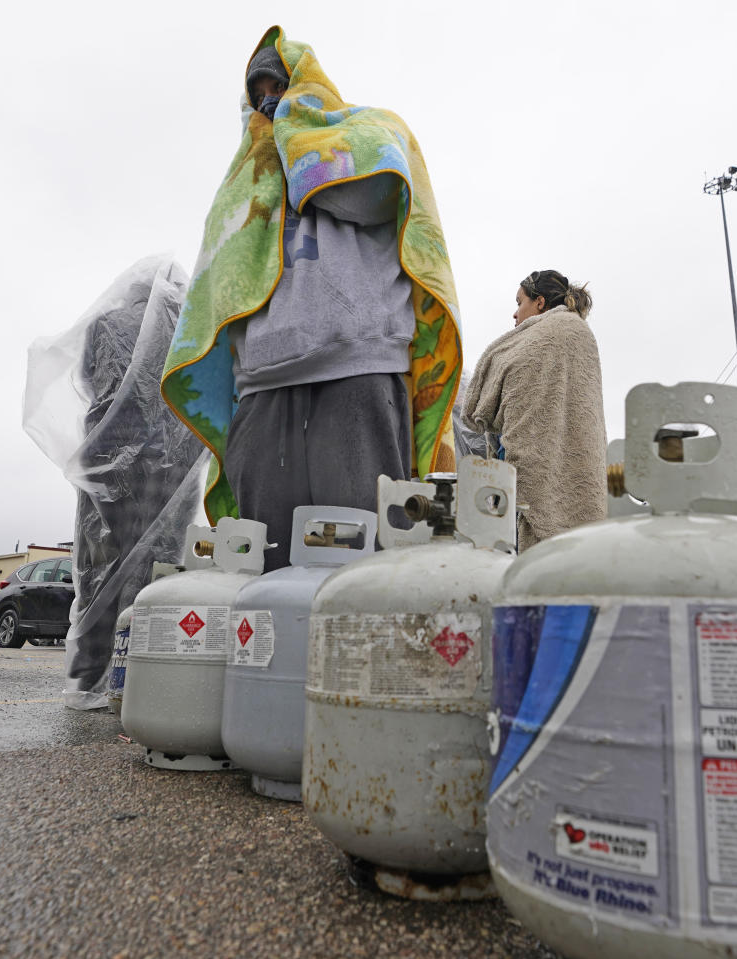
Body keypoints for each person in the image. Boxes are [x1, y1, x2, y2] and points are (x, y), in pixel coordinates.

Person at [162, 27, 462, 570]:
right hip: (263, 385)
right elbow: (224, 278)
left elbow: (372, 194)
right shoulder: (246, 175)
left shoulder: (370, 130)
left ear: (308, 80)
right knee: (261, 569)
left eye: (279, 83)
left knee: (356, 561)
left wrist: (298, 139)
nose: (269, 99)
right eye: (258, 93)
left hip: (357, 368)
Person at [464, 270, 607, 551]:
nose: (515, 315)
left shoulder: (551, 334)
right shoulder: (579, 334)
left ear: (539, 302)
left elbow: (482, 400)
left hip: (524, 480)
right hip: (560, 474)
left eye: (519, 303)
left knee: (529, 571)